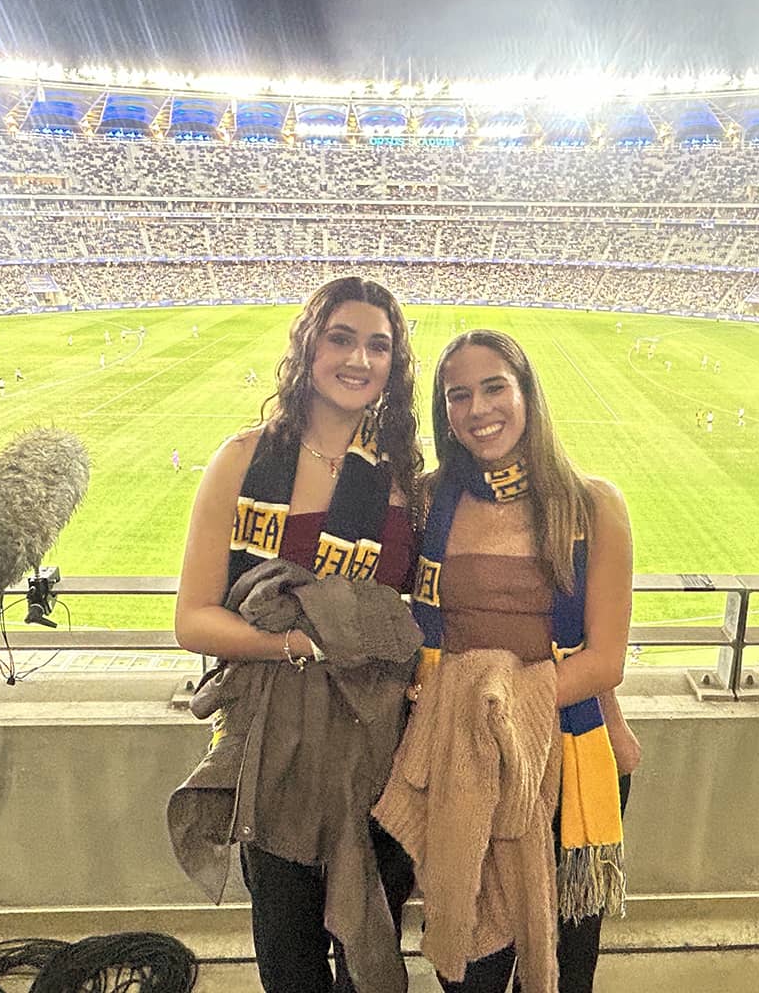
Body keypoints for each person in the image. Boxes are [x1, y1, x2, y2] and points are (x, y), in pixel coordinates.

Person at [174, 276, 423, 993]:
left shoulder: (402, 480)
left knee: (371, 938)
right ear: (310, 345)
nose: (358, 359)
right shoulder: (243, 459)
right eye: (342, 338)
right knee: (288, 956)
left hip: (379, 747)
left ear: (393, 366)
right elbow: (195, 618)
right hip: (271, 746)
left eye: (379, 345)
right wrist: (300, 644)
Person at [382, 329, 637, 993]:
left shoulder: (593, 506)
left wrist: (493, 706)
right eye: (457, 395)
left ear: (527, 393)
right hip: (461, 764)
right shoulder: (430, 500)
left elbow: (605, 661)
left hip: (574, 756)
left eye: (495, 386)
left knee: (563, 964)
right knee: (468, 961)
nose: (477, 409)